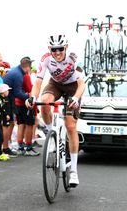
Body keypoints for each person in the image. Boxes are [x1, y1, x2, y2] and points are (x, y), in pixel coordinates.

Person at [26, 34, 85, 187]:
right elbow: (38, 82)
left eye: (60, 49)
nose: (57, 52)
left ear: (65, 47)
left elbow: (81, 84)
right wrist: (33, 97)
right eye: (54, 49)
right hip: (55, 84)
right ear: (49, 49)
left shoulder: (73, 58)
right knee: (45, 103)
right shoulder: (46, 58)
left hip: (73, 87)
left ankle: (73, 170)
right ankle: (51, 134)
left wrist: (76, 98)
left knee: (71, 126)